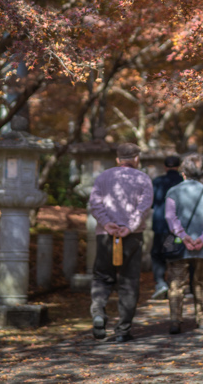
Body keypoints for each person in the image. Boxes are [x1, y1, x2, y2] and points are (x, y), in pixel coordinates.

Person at [87, 143, 153, 343]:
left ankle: (98, 312)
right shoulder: (143, 179)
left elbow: (95, 204)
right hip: (132, 236)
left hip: (106, 235)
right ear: (136, 159)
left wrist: (107, 224)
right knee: (129, 280)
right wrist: (129, 227)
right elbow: (143, 207)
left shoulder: (103, 177)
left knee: (102, 276)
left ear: (117, 159)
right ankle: (123, 330)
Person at [165, 153, 203, 334]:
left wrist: (183, 236)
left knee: (176, 283)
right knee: (202, 282)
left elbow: (170, 217)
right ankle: (202, 319)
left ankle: (175, 321)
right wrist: (202, 239)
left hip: (179, 245)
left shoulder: (173, 192)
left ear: (183, 172)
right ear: (202, 172)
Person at [150, 155, 184, 300]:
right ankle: (176, 284)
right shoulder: (183, 182)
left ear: (164, 167)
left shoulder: (158, 182)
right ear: (179, 167)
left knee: (158, 254)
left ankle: (161, 283)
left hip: (161, 225)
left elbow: (151, 203)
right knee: (175, 253)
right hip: (178, 227)